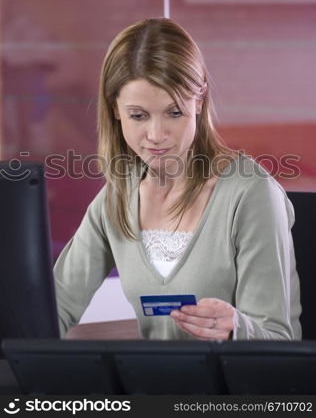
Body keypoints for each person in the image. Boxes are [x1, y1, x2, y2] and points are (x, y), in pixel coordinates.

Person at [53, 18, 302, 341]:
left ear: (198, 102)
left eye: (174, 113)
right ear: (115, 110)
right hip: (156, 387)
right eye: (138, 115)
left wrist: (236, 329)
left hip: (237, 390)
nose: (156, 136)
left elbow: (279, 338)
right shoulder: (117, 197)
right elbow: (53, 308)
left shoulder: (250, 194)